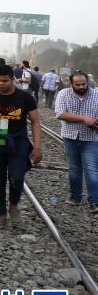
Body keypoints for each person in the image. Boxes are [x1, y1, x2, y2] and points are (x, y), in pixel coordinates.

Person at [0, 65, 42, 228]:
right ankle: (1, 215)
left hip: (18, 142)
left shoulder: (25, 98)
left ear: (13, 79)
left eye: (5, 80)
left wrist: (37, 146)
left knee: (16, 177)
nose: (0, 84)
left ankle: (13, 206)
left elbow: (35, 121)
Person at [54, 71, 98, 212]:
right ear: (71, 84)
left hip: (91, 138)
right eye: (77, 84)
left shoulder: (96, 95)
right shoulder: (63, 94)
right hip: (70, 137)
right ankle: (75, 197)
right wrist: (84, 119)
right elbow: (60, 114)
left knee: (91, 170)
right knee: (74, 169)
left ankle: (94, 202)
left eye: (83, 84)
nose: (81, 87)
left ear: (87, 82)